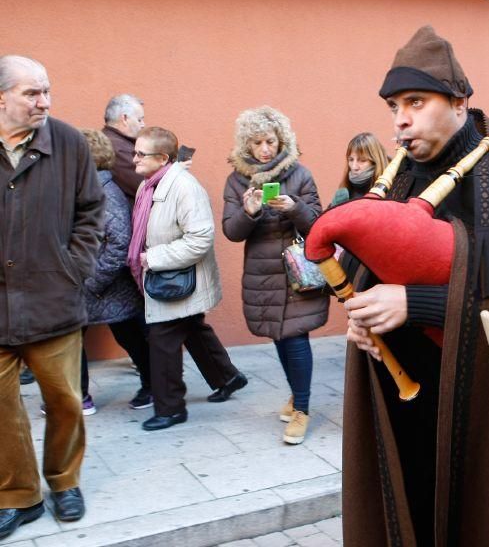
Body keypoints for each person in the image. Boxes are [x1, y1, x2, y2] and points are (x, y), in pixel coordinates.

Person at [341, 25, 489, 546]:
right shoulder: (399, 178)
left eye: (416, 102)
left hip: (476, 407)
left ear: (461, 102)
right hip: (404, 397)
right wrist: (366, 316)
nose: (401, 120)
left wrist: (411, 303)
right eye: (395, 106)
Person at [0, 55, 105, 538]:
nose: (44, 101)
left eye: (46, 91)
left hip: (53, 301)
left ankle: (64, 481)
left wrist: (74, 270)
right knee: (1, 409)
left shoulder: (66, 142)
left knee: (64, 401)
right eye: (31, 93)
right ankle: (19, 496)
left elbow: (91, 212)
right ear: (2, 98)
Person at [128, 126, 247, 431]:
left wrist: (152, 259)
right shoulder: (148, 185)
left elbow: (200, 239)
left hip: (177, 281)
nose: (134, 159)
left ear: (163, 158)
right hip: (169, 278)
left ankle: (171, 408)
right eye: (135, 152)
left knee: (162, 340)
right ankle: (227, 376)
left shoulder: (183, 187)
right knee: (192, 327)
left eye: (141, 154)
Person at [223, 106, 329, 445]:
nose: (265, 149)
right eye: (257, 142)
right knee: (279, 337)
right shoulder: (236, 179)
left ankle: (302, 408)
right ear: (247, 145)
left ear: (282, 139)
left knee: (295, 337)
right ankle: (297, 396)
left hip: (297, 271)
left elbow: (317, 222)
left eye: (270, 141)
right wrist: (249, 212)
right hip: (263, 273)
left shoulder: (299, 174)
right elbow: (231, 232)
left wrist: (294, 207)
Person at [80, 128, 153, 412]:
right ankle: (78, 396)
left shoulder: (105, 193)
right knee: (72, 338)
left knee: (131, 337)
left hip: (106, 285)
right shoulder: (86, 190)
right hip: (91, 283)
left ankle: (153, 387)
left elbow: (119, 243)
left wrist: (93, 281)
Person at [102, 94, 146, 201]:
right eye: (139, 120)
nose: (143, 124)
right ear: (125, 118)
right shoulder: (117, 148)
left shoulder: (113, 141)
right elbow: (144, 185)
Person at [330, 131, 389, 206]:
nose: (354, 167)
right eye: (351, 160)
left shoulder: (390, 190)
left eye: (362, 160)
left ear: (375, 162)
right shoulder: (343, 193)